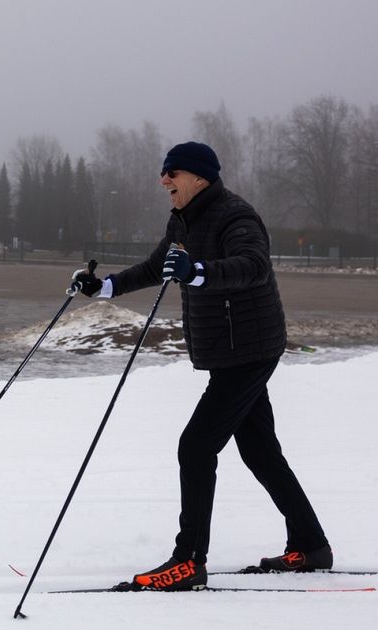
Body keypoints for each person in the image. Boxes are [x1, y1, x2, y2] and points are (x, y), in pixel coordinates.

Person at [70, 142, 331, 591]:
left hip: (249, 350)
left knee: (195, 446)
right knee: (260, 452)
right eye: (164, 173)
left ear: (199, 178)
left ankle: (189, 560)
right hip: (227, 352)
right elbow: (159, 267)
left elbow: (252, 266)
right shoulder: (183, 219)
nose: (163, 180)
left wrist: (198, 272)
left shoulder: (236, 215)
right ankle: (311, 545)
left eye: (172, 173)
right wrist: (105, 286)